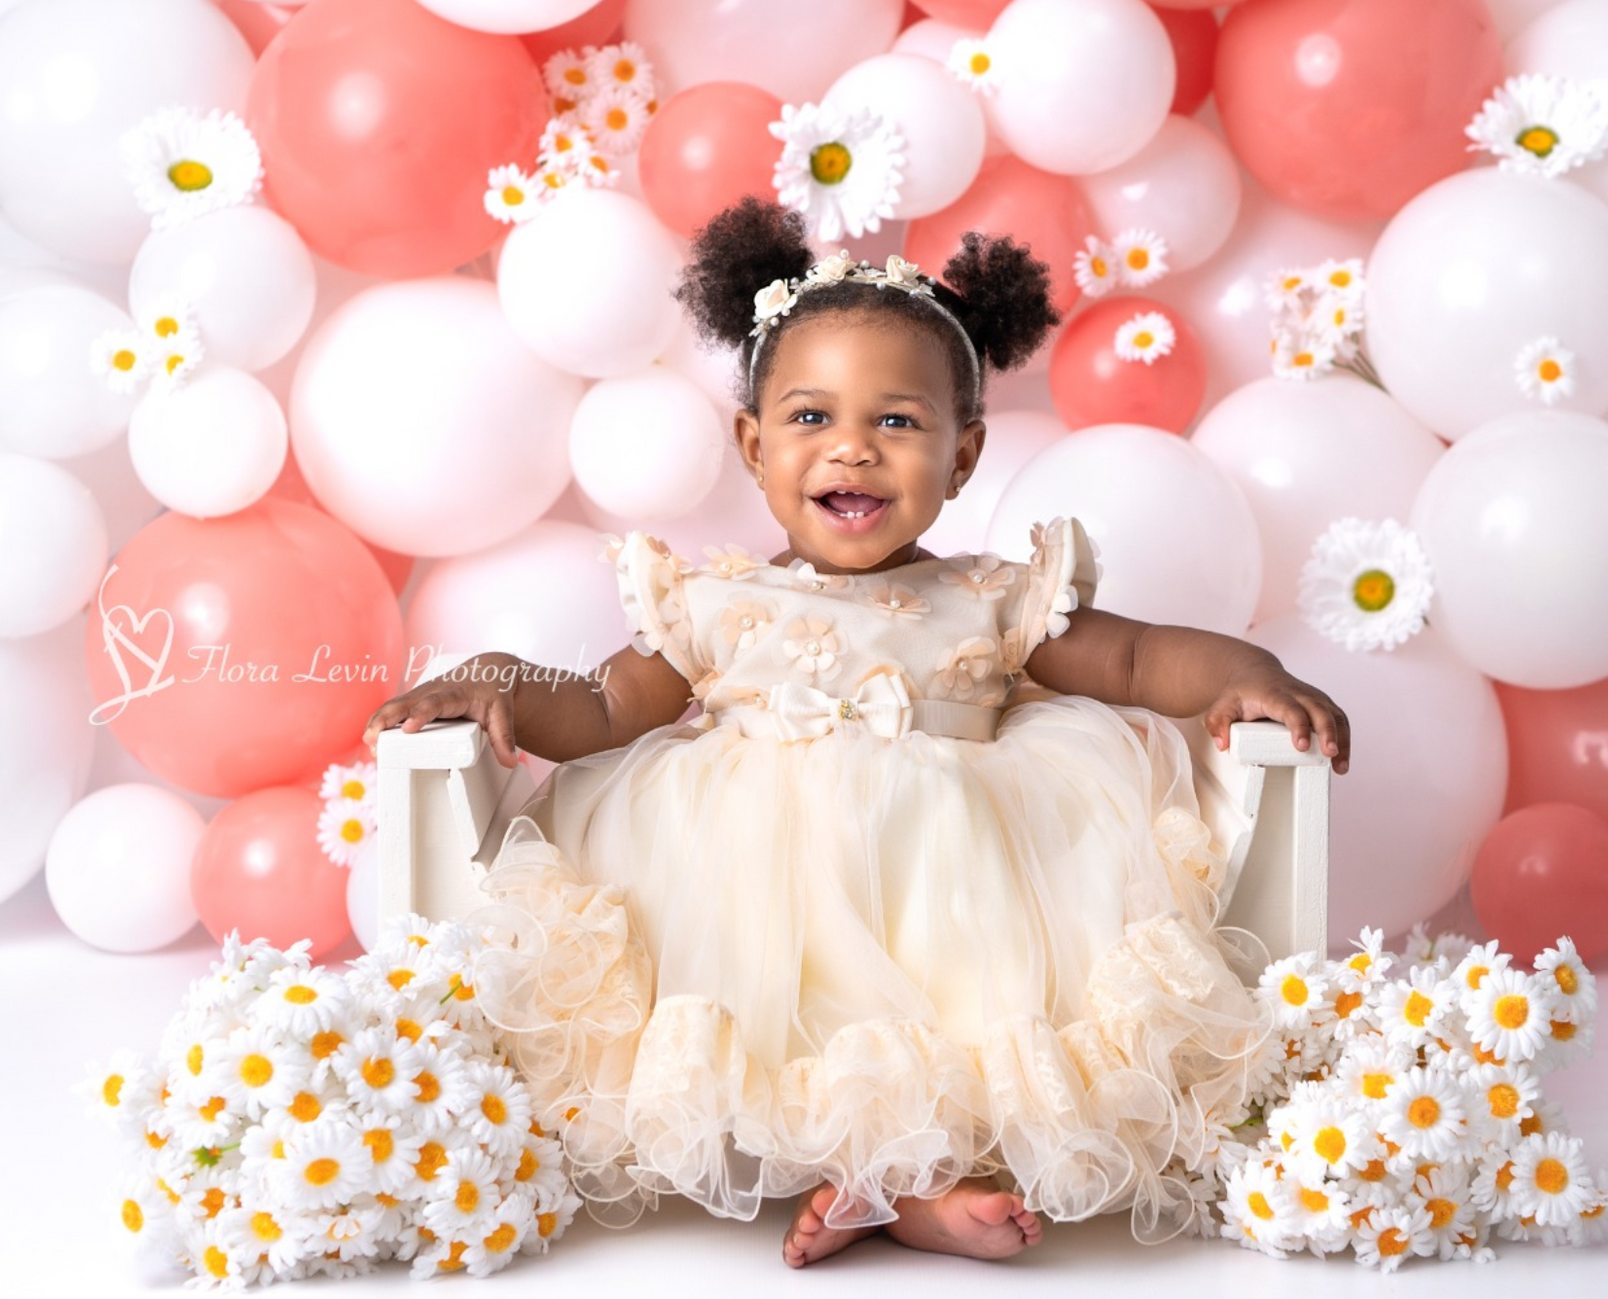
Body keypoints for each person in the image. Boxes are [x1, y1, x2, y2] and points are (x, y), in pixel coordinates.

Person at [363, 197, 1351, 1268]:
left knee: (969, 974)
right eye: (809, 419)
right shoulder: (714, 603)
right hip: (753, 887)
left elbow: (1136, 658)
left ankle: (920, 1181)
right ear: (750, 444)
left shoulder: (992, 596)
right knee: (785, 989)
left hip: (956, 869)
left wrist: (1249, 672)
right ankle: (863, 1175)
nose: (853, 451)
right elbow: (601, 708)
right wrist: (497, 678)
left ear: (963, 456)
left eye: (896, 422)